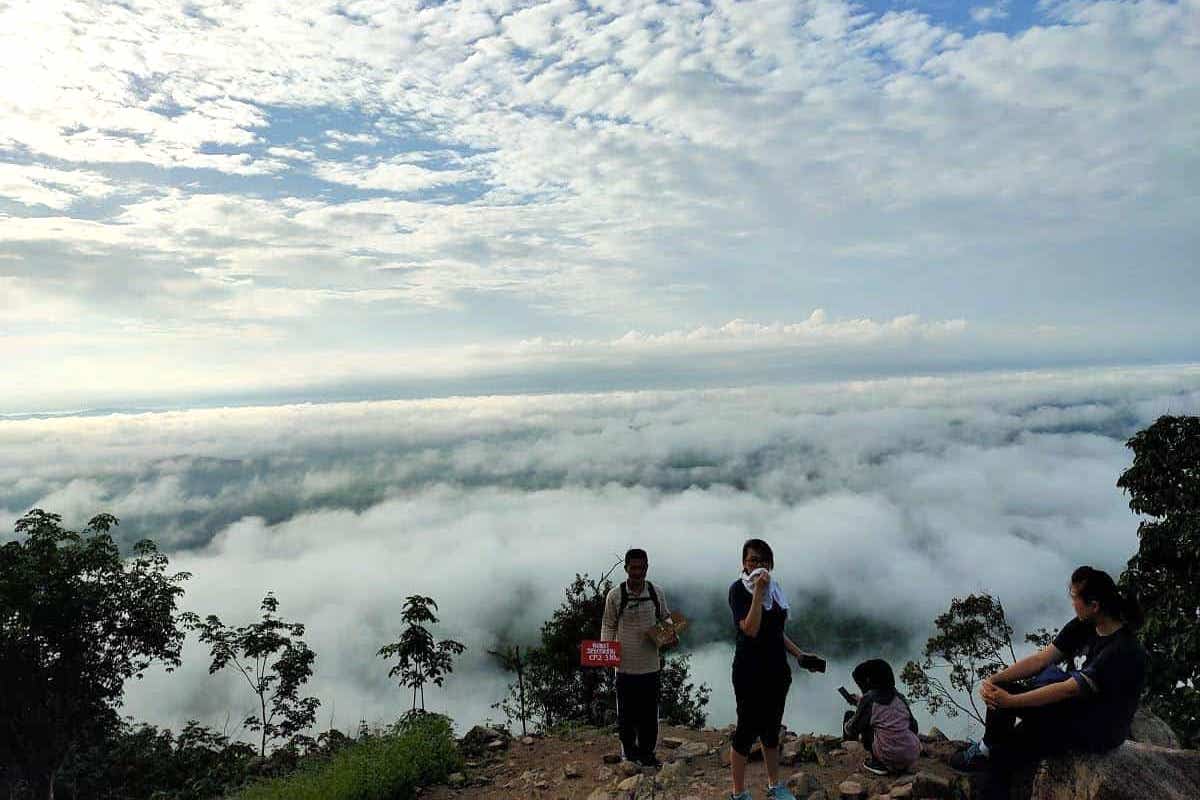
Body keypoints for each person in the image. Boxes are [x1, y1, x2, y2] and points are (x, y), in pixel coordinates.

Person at [951, 566, 1147, 799]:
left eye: (1075, 598)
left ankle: (989, 761)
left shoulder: (1122, 650)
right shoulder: (1084, 626)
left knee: (1006, 751)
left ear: (1094, 606)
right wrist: (995, 679)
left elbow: (1066, 690)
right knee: (1002, 698)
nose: (1072, 603)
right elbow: (1042, 659)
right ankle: (987, 749)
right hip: (1073, 709)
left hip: (1095, 729)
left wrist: (1011, 701)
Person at [727, 538, 825, 800]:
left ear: (771, 564)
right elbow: (750, 629)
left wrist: (800, 655)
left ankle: (774, 785)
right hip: (749, 670)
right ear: (744, 564)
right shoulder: (739, 590)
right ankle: (738, 792)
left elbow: (776, 632)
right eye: (753, 560)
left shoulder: (776, 591)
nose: (758, 565)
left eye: (763, 560)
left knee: (771, 729)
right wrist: (758, 592)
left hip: (777, 670)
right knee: (746, 729)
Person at [600, 548, 673, 767]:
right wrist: (606, 652)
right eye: (633, 568)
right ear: (626, 568)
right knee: (627, 716)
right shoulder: (615, 595)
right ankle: (629, 754)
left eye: (641, 568)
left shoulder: (655, 592)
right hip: (624, 668)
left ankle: (647, 754)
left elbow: (666, 617)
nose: (637, 572)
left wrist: (671, 633)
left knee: (650, 715)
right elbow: (608, 624)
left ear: (647, 568)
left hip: (651, 665)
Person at [842, 658, 920, 775]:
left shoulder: (869, 700)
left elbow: (852, 729)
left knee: (854, 718)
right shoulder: (899, 697)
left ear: (869, 681)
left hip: (888, 756)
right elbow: (914, 727)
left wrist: (847, 724)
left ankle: (879, 764)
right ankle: (900, 762)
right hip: (911, 755)